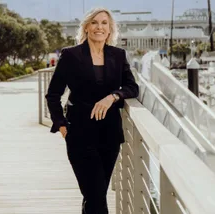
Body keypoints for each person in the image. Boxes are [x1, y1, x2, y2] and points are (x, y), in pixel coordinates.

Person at [45, 7, 139, 214]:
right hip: (79, 134)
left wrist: (112, 96)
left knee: (95, 196)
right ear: (86, 27)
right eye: (95, 22)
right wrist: (61, 124)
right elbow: (53, 94)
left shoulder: (118, 55)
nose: (99, 27)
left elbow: (132, 87)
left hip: (109, 135)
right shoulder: (71, 55)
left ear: (110, 29)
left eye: (104, 23)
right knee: (95, 195)